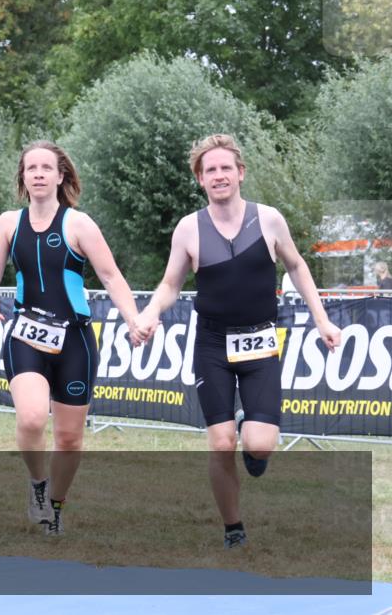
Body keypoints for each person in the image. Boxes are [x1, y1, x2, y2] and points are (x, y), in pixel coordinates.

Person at [134, 134, 342, 549]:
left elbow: (298, 267)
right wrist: (149, 314)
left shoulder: (268, 219)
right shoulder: (189, 228)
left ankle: (255, 445)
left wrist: (322, 321)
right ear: (200, 179)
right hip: (211, 345)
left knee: (260, 445)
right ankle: (234, 529)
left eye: (225, 167)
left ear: (240, 172)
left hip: (260, 343)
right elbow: (171, 283)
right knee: (220, 442)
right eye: (210, 170)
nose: (219, 175)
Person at [0, 141, 140, 535]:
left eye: (45, 168)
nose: (37, 173)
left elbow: (111, 276)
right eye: (30, 168)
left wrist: (133, 319)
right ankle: (38, 485)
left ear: (60, 176)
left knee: (69, 439)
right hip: (25, 335)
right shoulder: (7, 223)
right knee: (33, 417)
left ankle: (56, 505)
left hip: (75, 342)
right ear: (22, 177)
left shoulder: (79, 224)